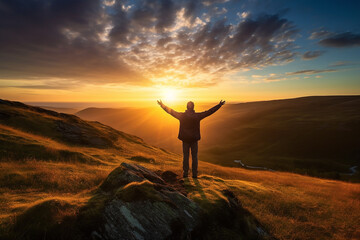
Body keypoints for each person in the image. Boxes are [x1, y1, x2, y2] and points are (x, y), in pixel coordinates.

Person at [157, 99, 225, 178]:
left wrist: (162, 105)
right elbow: (209, 112)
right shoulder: (197, 116)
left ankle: (185, 173)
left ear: (186, 107)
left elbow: (171, 111)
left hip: (185, 139)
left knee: (186, 156)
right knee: (194, 157)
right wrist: (219, 105)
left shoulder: (181, 116)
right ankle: (194, 174)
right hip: (194, 140)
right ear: (193, 107)